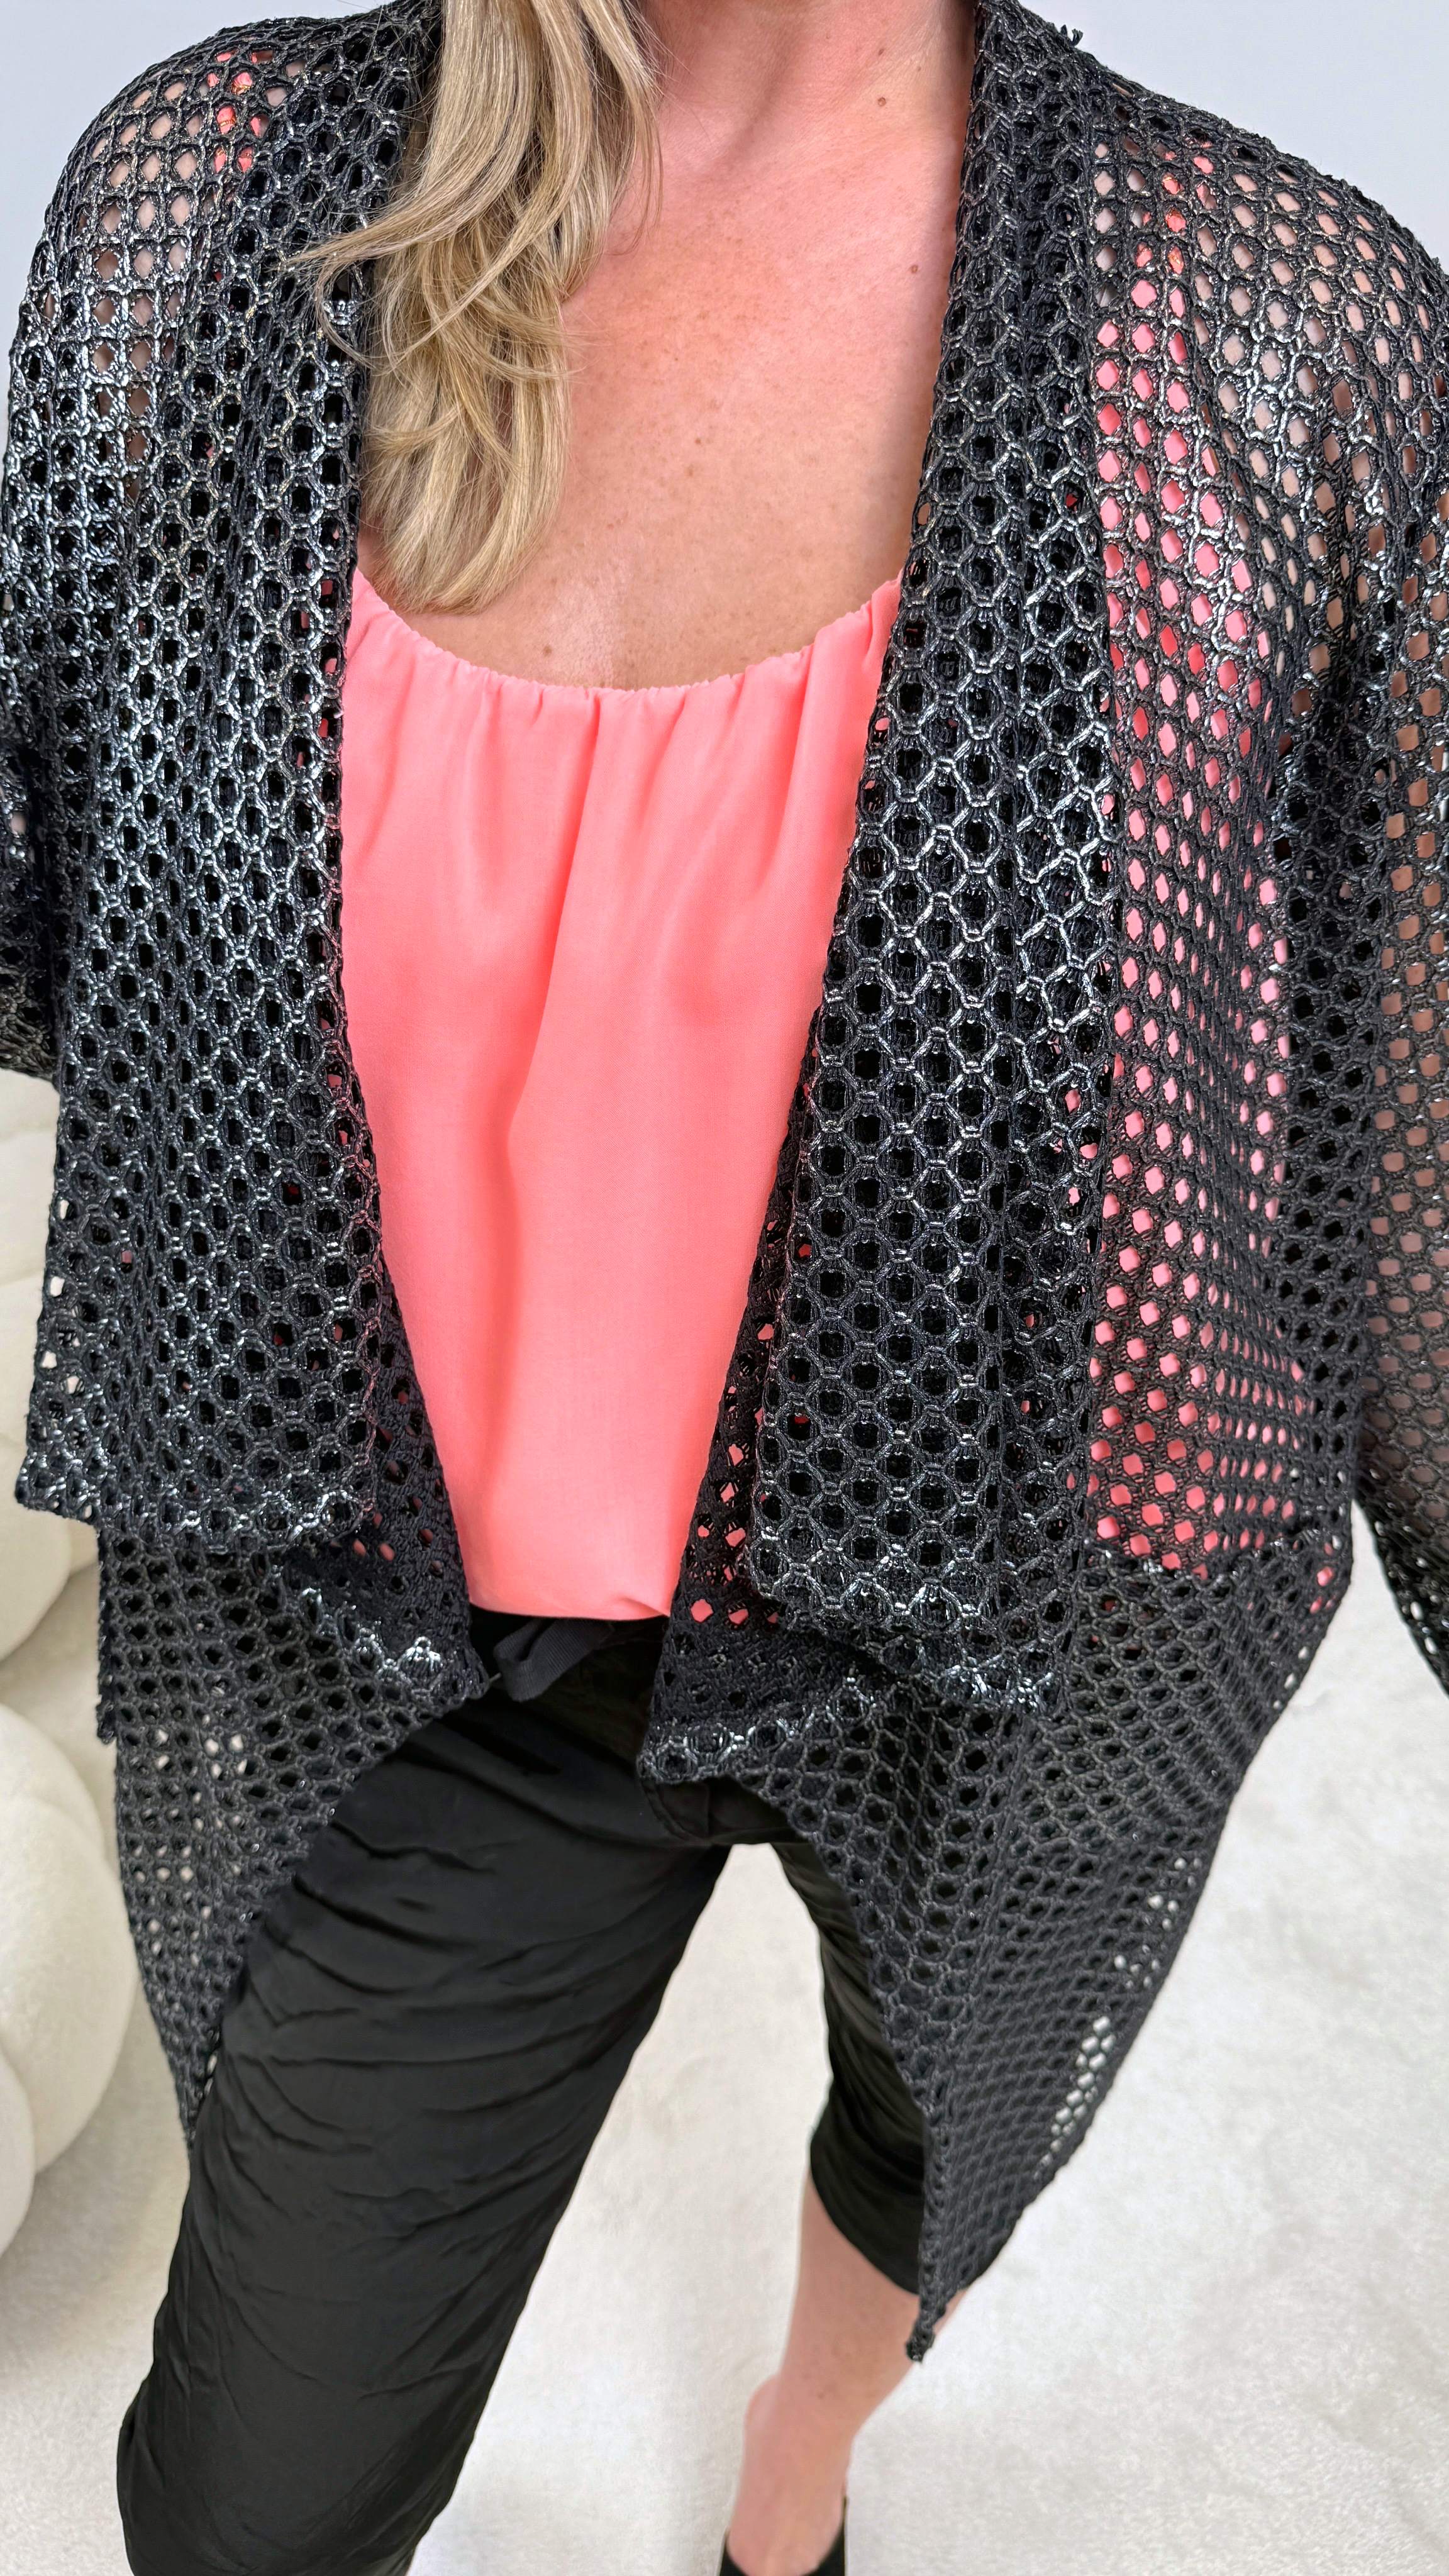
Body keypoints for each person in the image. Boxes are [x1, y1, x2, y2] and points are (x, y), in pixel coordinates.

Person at [1, 0, 1446, 2568]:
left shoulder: (1269, 327)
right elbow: (71, 897)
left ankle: (800, 2475)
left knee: (932, 2122)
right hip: (421, 1626)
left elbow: (1404, 1119)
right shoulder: (214, 209)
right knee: (245, 2500)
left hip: (1028, 1603)